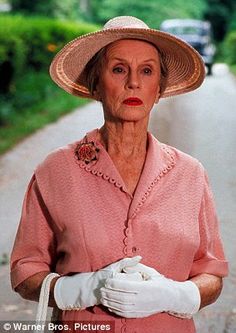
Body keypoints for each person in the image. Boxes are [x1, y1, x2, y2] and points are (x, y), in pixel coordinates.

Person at [10, 16, 228, 333]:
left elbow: (212, 273)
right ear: (96, 84)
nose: (133, 83)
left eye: (147, 71)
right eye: (118, 69)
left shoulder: (190, 174)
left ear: (159, 89)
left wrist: (176, 294)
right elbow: (24, 271)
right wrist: (82, 289)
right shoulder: (56, 170)